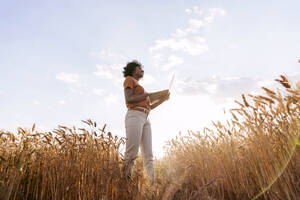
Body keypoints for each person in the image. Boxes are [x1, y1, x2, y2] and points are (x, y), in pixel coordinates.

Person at [122, 60, 170, 183]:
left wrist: (163, 99)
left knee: (148, 155)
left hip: (145, 117)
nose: (142, 70)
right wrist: (147, 95)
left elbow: (150, 107)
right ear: (133, 70)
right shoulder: (129, 79)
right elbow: (129, 98)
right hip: (135, 115)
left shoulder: (141, 88)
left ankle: (151, 186)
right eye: (139, 68)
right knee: (132, 152)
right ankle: (124, 183)